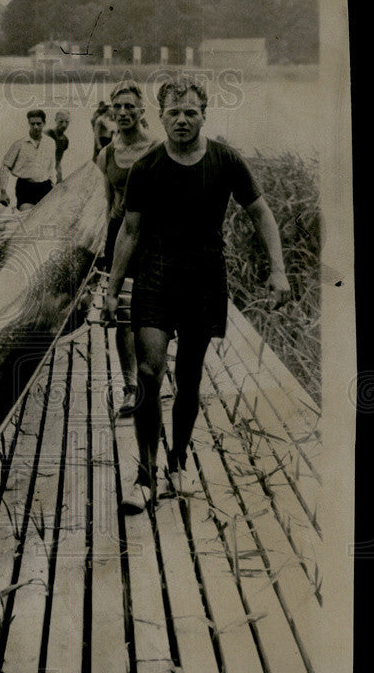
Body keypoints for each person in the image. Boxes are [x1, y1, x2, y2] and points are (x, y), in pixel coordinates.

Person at [103, 77, 291, 511]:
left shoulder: (225, 160)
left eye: (191, 112)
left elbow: (261, 212)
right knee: (149, 374)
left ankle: (177, 463)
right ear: (162, 115)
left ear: (204, 113)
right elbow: (129, 231)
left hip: (205, 280)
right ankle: (145, 477)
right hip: (155, 276)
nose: (183, 120)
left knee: (188, 380)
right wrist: (113, 290)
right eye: (174, 112)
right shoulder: (146, 167)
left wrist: (277, 270)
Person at [97, 81, 156, 416]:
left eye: (129, 107)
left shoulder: (157, 149)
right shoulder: (107, 153)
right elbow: (107, 205)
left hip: (154, 238)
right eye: (117, 107)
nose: (122, 113)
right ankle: (130, 388)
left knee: (154, 313)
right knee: (122, 313)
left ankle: (156, 373)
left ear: (141, 111)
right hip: (121, 237)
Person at [0, 109, 56, 211]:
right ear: (29, 124)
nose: (35, 127)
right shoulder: (19, 144)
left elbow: (52, 166)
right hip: (26, 187)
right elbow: (5, 166)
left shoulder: (50, 143)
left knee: (47, 216)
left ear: (44, 123)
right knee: (28, 216)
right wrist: (3, 192)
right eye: (32, 124)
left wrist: (54, 184)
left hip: (45, 186)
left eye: (38, 124)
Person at [45, 109, 70, 182]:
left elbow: (58, 161)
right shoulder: (47, 134)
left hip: (53, 172)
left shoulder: (65, 140)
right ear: (55, 120)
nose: (64, 125)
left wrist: (59, 177)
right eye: (61, 121)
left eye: (66, 122)